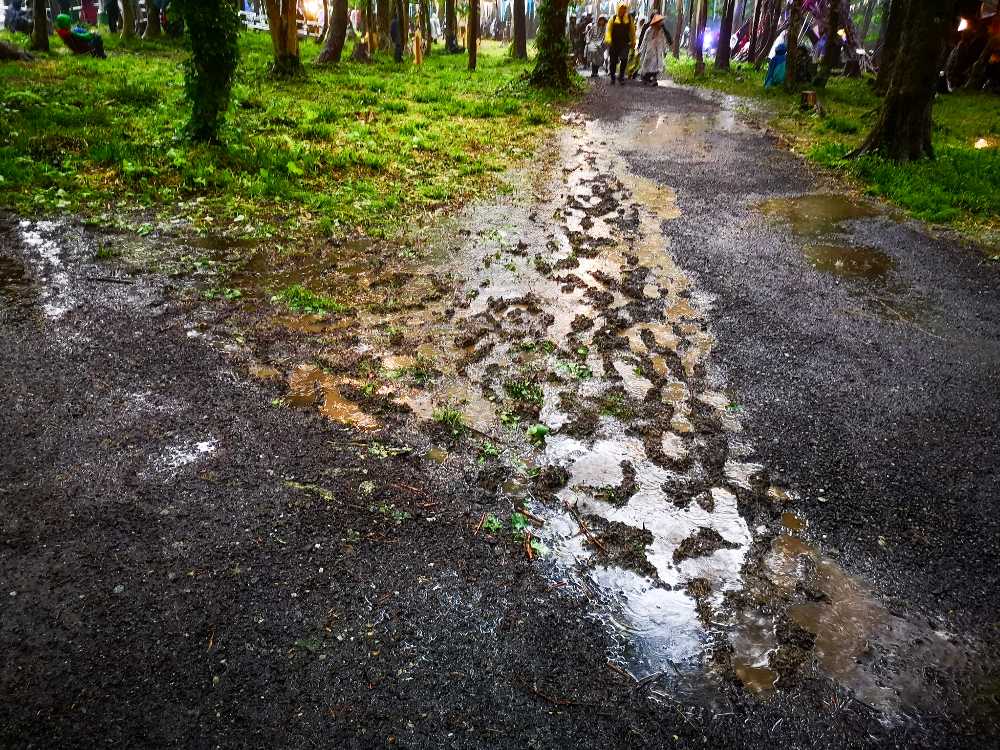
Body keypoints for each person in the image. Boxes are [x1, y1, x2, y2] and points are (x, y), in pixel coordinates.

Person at [604, 3, 635, 85]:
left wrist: (633, 41)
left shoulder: (629, 18)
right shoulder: (613, 18)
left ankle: (621, 77)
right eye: (621, 8)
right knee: (613, 61)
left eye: (624, 8)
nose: (623, 10)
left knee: (624, 60)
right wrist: (608, 39)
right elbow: (608, 30)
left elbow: (632, 31)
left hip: (625, 43)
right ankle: (612, 77)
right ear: (618, 9)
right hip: (614, 44)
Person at [637, 13, 670, 85]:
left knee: (657, 65)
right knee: (648, 64)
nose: (661, 23)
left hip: (658, 50)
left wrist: (665, 50)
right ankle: (646, 78)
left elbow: (663, 40)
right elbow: (645, 40)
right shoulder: (649, 30)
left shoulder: (661, 30)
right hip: (650, 50)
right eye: (659, 22)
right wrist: (641, 49)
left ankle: (653, 79)